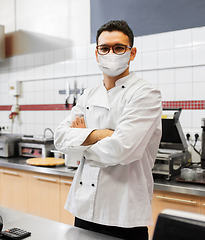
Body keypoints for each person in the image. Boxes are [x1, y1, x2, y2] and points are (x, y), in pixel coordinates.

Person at [54, 20, 162, 240]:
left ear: (131, 53)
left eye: (119, 48)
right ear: (96, 54)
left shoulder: (146, 93)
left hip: (124, 212)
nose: (111, 53)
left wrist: (80, 141)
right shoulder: (88, 94)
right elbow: (60, 138)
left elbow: (120, 149)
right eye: (104, 48)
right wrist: (101, 134)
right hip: (83, 208)